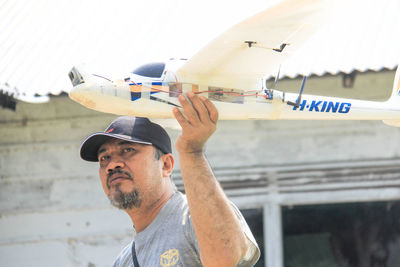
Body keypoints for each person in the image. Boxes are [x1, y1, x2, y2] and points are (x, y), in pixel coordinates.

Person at [79, 92, 260, 266]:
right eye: (104, 158)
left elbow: (225, 259)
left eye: (128, 150)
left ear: (166, 165)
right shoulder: (124, 262)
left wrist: (192, 151)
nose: (112, 165)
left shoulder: (194, 216)